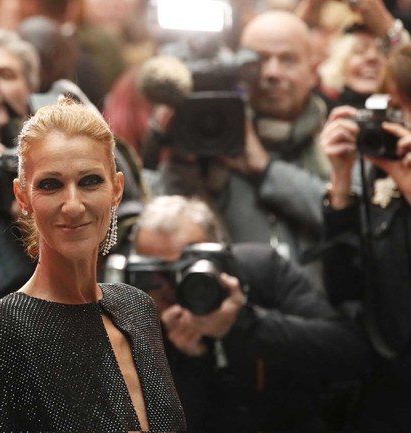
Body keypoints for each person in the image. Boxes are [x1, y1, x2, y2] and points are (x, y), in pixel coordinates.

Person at [0, 99, 186, 432]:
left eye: (90, 181)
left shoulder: (138, 310)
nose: (73, 205)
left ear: (116, 189)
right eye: (51, 185)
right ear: (23, 197)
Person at [122, 194, 370, 433]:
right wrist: (190, 360)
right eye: (157, 275)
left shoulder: (258, 270)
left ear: (221, 253)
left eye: (190, 269)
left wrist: (244, 323)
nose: (176, 288)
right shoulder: (135, 317)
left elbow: (348, 350)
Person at [145, 10, 332, 290]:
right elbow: (165, 228)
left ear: (314, 71)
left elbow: (346, 217)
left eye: (287, 60)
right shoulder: (211, 140)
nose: (271, 73)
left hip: (318, 320)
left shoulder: (336, 140)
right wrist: (181, 154)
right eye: (259, 61)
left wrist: (265, 169)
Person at [319, 42, 411, 432]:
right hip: (385, 385)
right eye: (391, 111)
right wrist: (341, 184)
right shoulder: (378, 176)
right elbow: (343, 289)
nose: (399, 123)